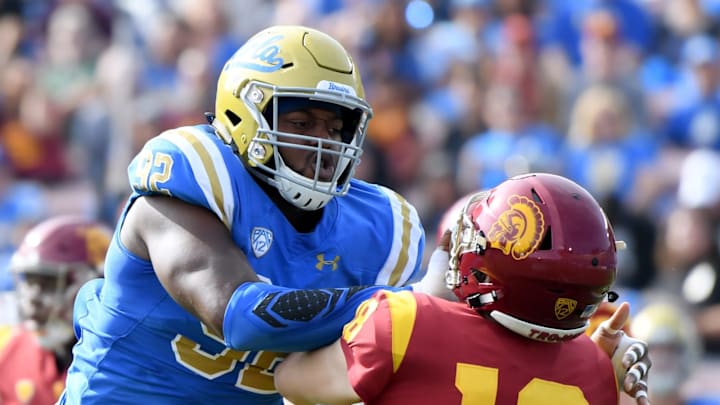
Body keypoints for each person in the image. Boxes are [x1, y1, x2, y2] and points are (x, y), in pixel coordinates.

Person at [60, 25, 431, 404]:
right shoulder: (192, 177)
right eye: (301, 124)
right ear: (244, 116)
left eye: (337, 128)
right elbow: (240, 316)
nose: (326, 144)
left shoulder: (377, 226)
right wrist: (404, 304)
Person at [275, 173, 651, 404]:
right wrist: (600, 369)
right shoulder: (595, 372)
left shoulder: (406, 322)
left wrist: (422, 296)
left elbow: (290, 382)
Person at [0, 216, 111, 405]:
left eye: (49, 282)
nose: (32, 299)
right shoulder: (6, 348)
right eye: (29, 281)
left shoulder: (121, 360)